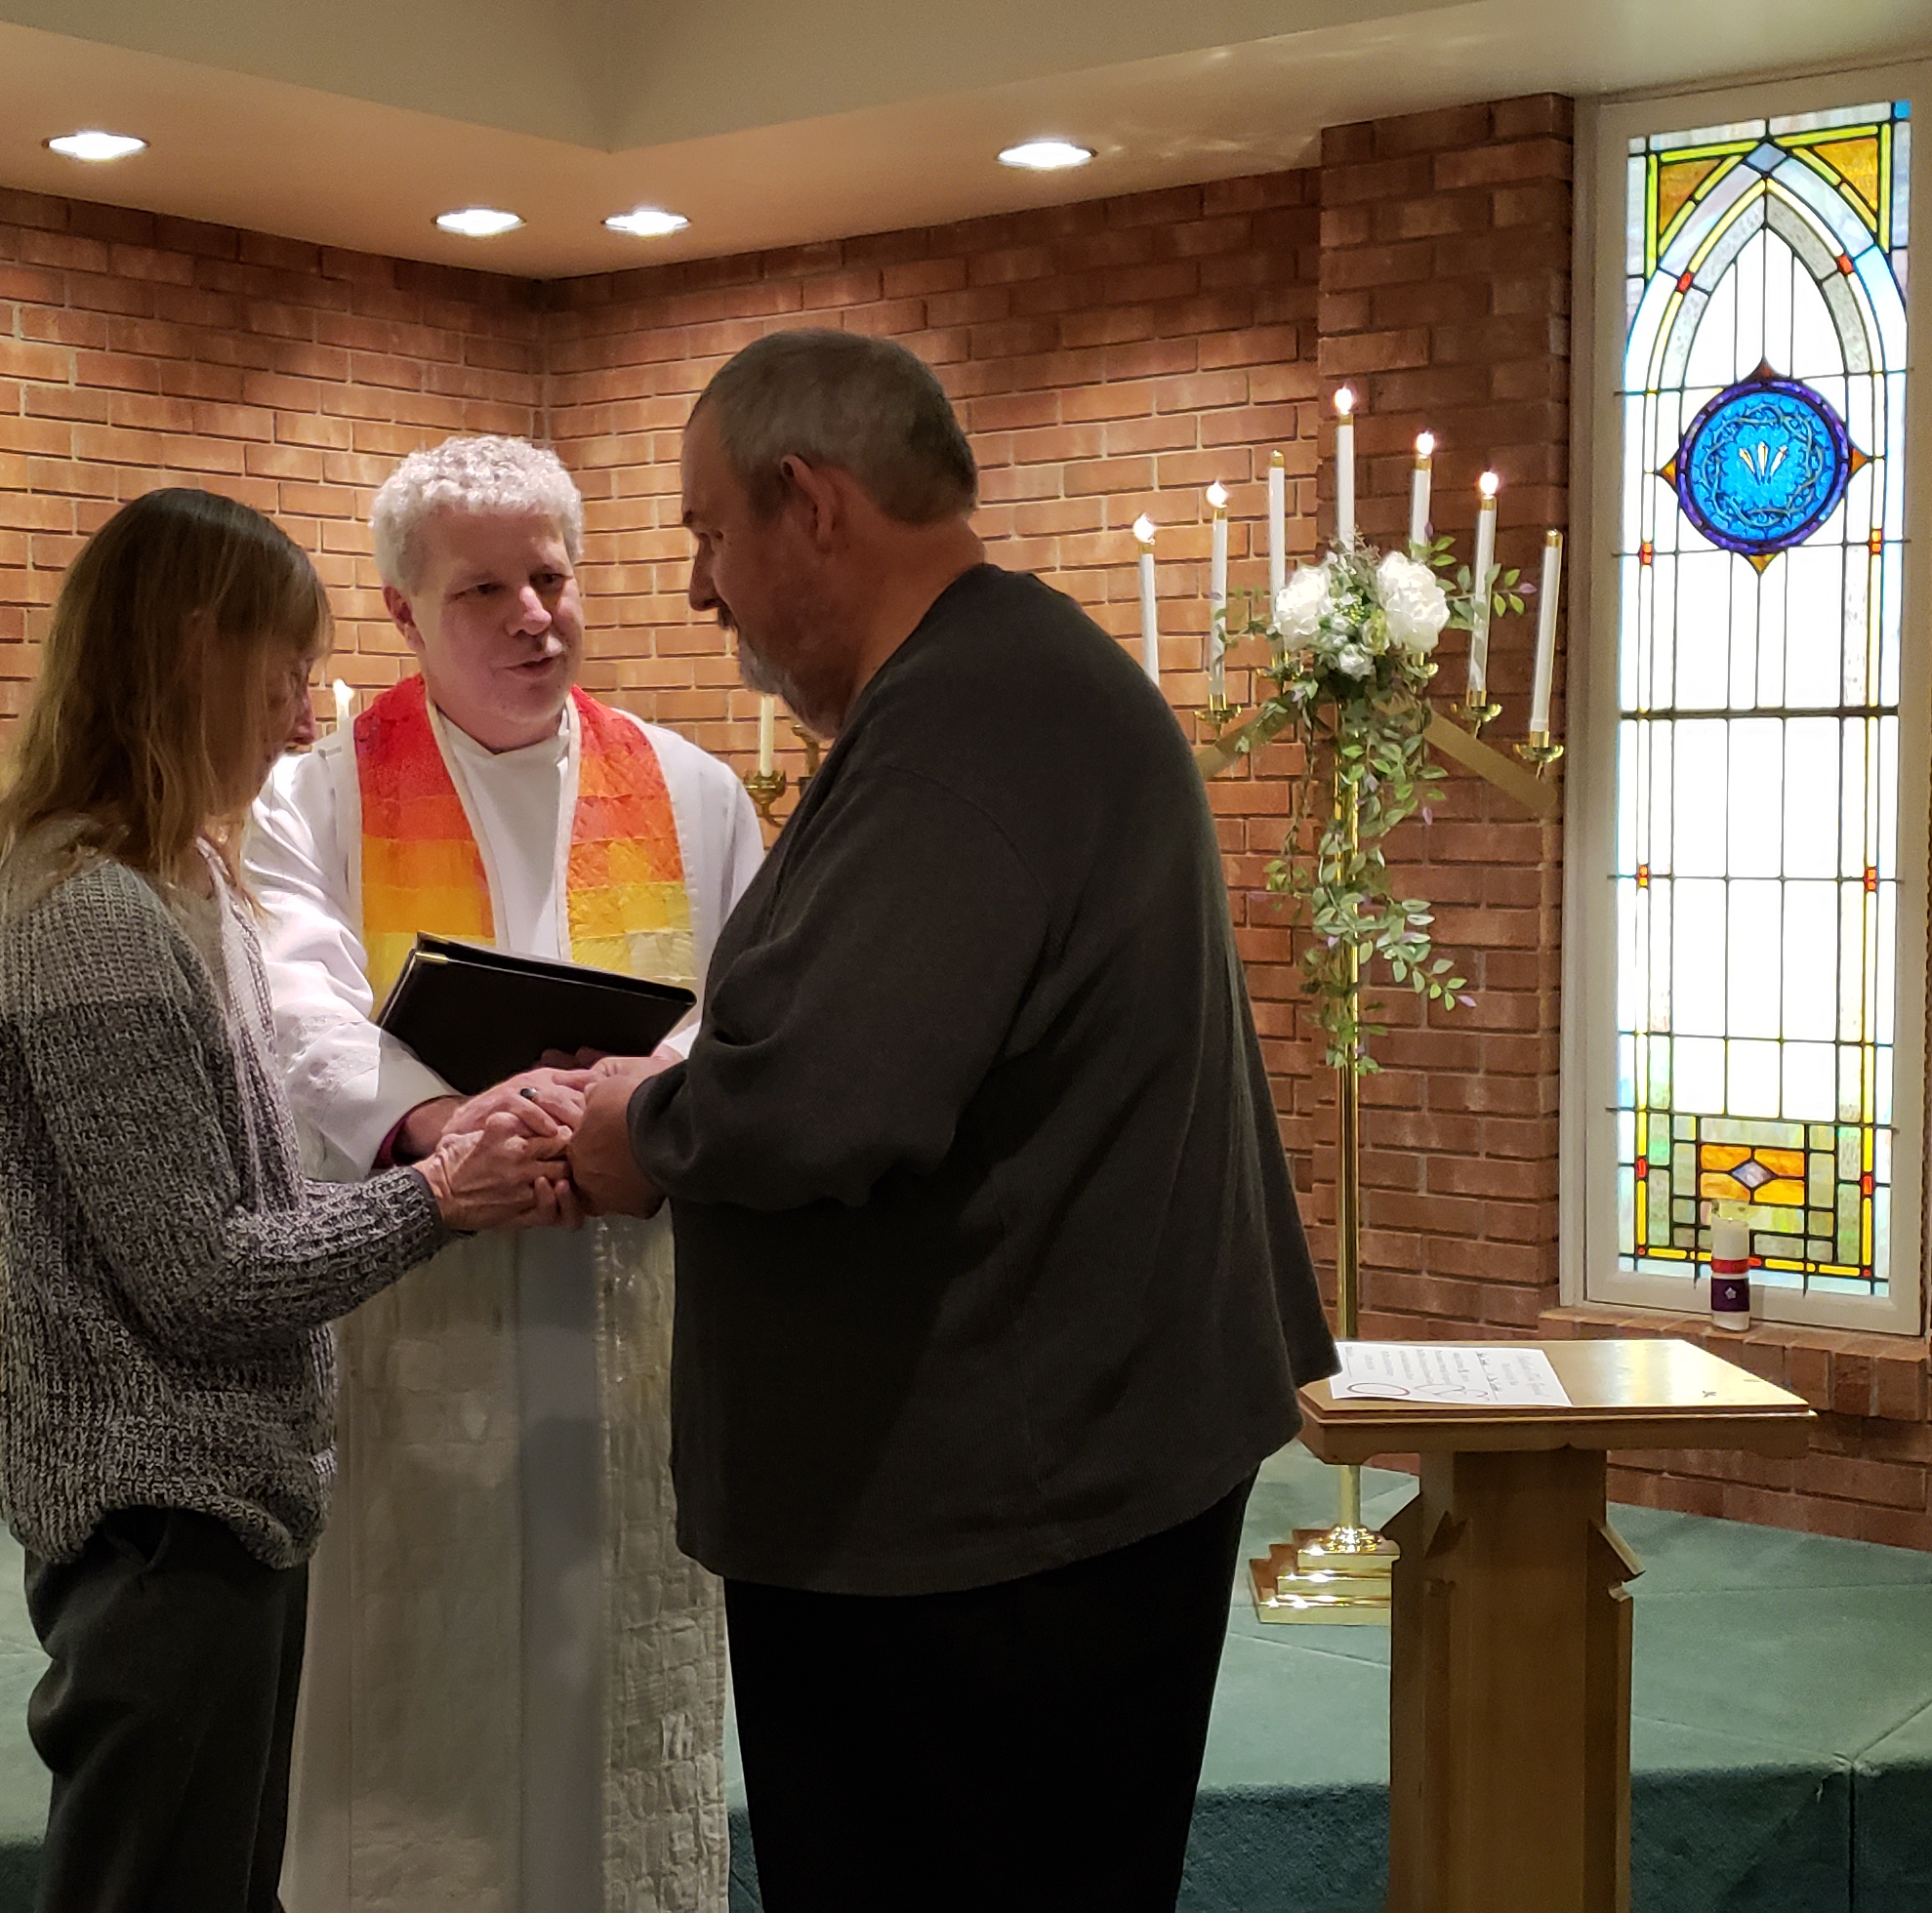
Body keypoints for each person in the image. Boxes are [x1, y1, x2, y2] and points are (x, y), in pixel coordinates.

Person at [561, 330, 1336, 1907]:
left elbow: (831, 1096)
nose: (701, 586)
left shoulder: (964, 728)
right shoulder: (1008, 681)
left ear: (812, 504)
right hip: (1034, 1492)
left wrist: (637, 1126)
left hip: (983, 1542)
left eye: (710, 530)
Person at [0, 485, 576, 1913]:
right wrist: (442, 1194)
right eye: (286, 671)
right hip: (152, 1525)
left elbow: (258, 1195)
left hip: (229, 1499)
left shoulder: (188, 880)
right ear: (191, 653)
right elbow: (202, 1277)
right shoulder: (87, 914)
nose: (304, 719)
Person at [245, 436, 760, 1912]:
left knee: (616, 1657)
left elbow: (756, 1007)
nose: (537, 615)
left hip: (628, 1294)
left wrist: (641, 1106)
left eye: (552, 575)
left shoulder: (690, 788)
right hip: (430, 1292)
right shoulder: (320, 797)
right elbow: (299, 1004)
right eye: (485, 590)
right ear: (402, 616)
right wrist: (435, 1131)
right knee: (427, 1668)